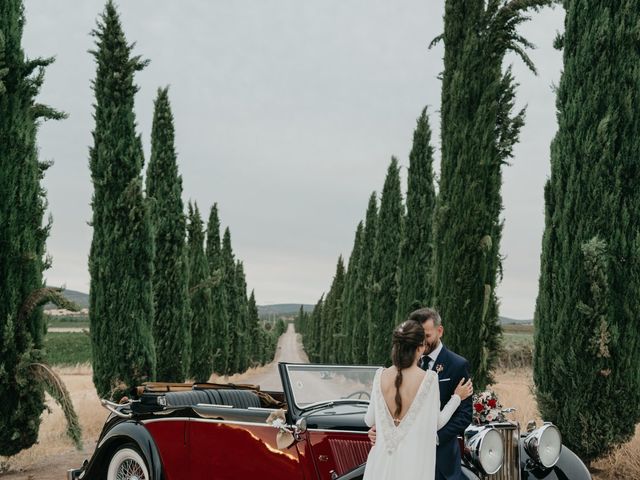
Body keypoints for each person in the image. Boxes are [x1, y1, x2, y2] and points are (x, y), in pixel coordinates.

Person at [362, 320, 472, 480]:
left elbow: (368, 419)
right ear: (420, 347)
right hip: (413, 464)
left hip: (380, 464)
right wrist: (457, 397)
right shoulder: (428, 379)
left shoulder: (380, 375)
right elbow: (437, 423)